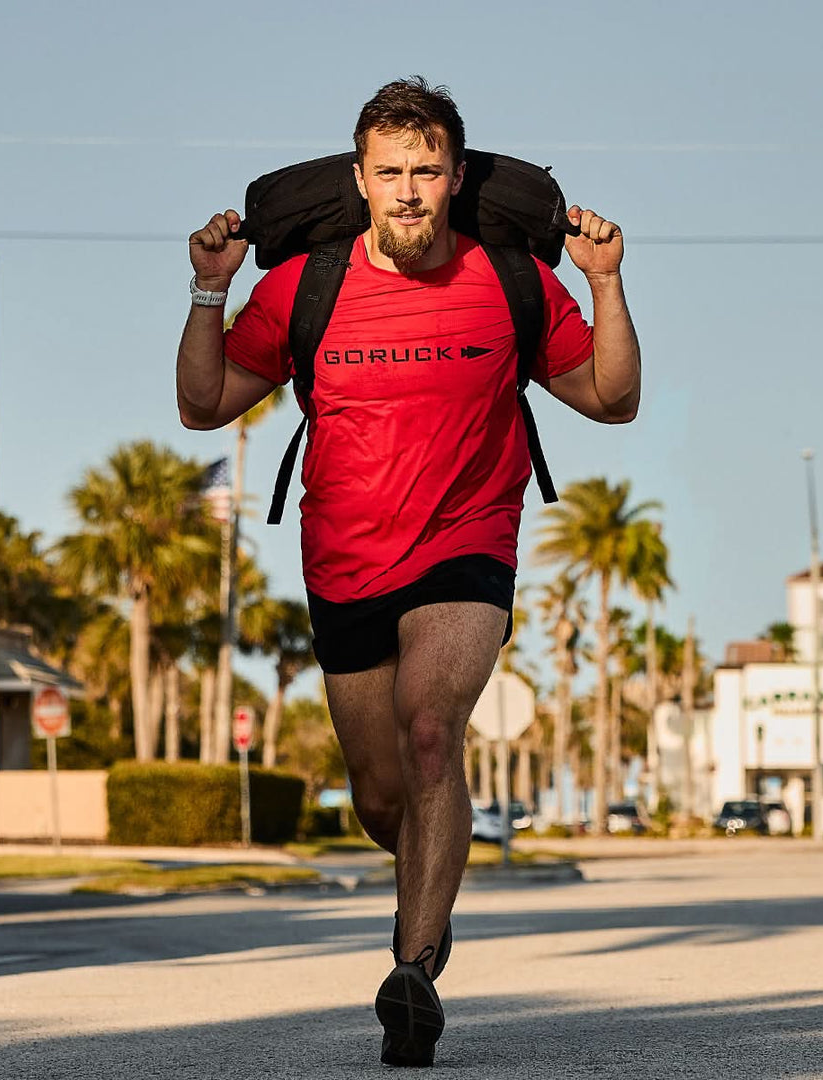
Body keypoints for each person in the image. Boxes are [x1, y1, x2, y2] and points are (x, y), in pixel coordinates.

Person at [176, 76, 641, 1067]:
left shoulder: (513, 278)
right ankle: (429, 893)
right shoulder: (307, 284)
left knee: (434, 734)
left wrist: (604, 280)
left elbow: (609, 397)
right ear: (361, 180)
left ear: (455, 175)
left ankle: (413, 970)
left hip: (469, 541)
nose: (410, 191)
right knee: (382, 794)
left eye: (428, 170)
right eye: (391, 172)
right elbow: (205, 404)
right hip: (345, 557)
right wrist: (210, 287)